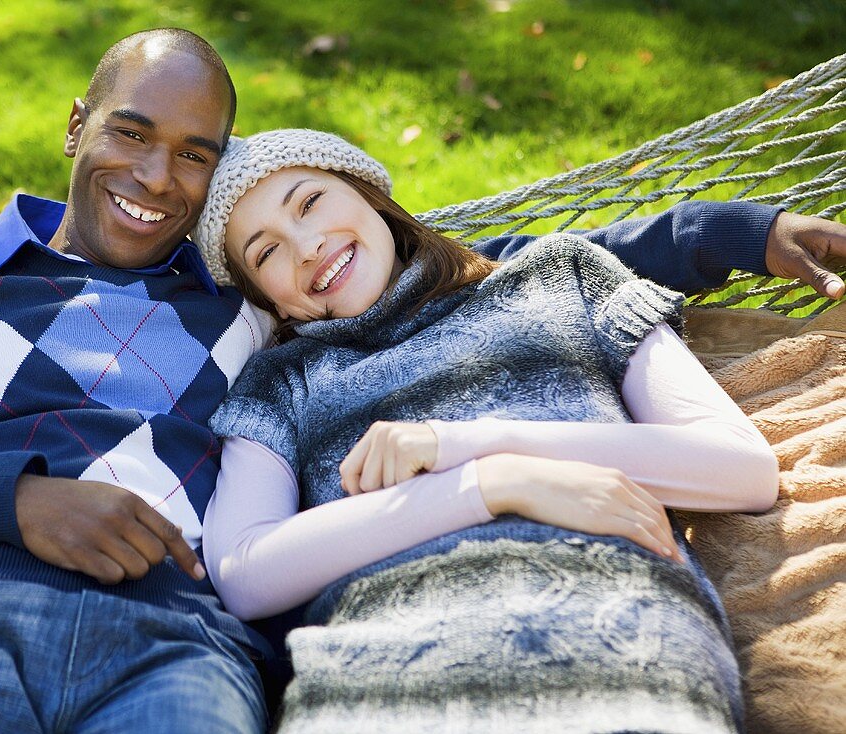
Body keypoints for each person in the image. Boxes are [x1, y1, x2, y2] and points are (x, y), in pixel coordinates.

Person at [0, 26, 844, 732]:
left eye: (195, 153)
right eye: (130, 132)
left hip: (179, 642)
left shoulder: (250, 301)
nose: (155, 175)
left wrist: (726, 231)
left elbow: (482, 268)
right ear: (76, 125)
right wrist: (11, 499)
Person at [188, 129, 843, 732]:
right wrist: (485, 486)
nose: (306, 248)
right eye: (266, 250)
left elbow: (738, 468)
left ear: (368, 193)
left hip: (616, 643)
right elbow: (245, 571)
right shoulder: (281, 383)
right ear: (268, 299)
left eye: (309, 203)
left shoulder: (561, 277)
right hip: (380, 677)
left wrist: (470, 443)